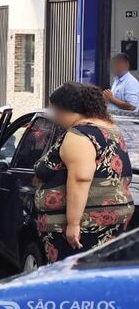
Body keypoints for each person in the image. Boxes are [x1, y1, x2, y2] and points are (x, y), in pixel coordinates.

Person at [35, 82, 134, 263]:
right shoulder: (111, 130)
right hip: (110, 217)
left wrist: (73, 224)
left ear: (65, 110)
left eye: (55, 110)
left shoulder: (80, 134)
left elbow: (80, 178)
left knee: (71, 277)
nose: (55, 117)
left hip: (85, 224)